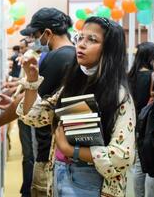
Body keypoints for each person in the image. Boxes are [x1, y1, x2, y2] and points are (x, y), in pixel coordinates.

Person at [17, 16, 136, 197]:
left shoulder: (118, 95)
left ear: (109, 50)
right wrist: (32, 82)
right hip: (59, 172)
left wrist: (71, 150)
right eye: (80, 38)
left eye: (92, 40)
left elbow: (122, 156)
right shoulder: (72, 85)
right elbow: (33, 116)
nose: (81, 44)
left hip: (92, 180)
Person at [0, 7, 76, 197]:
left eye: (36, 35)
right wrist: (15, 99)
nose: (34, 41)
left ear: (47, 33)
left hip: (49, 152)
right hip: (65, 149)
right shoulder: (73, 55)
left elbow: (29, 104)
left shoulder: (56, 57)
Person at [128, 42, 154, 197]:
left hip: (133, 124)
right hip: (149, 126)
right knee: (153, 164)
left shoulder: (129, 76)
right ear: (150, 58)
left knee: (138, 164)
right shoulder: (153, 77)